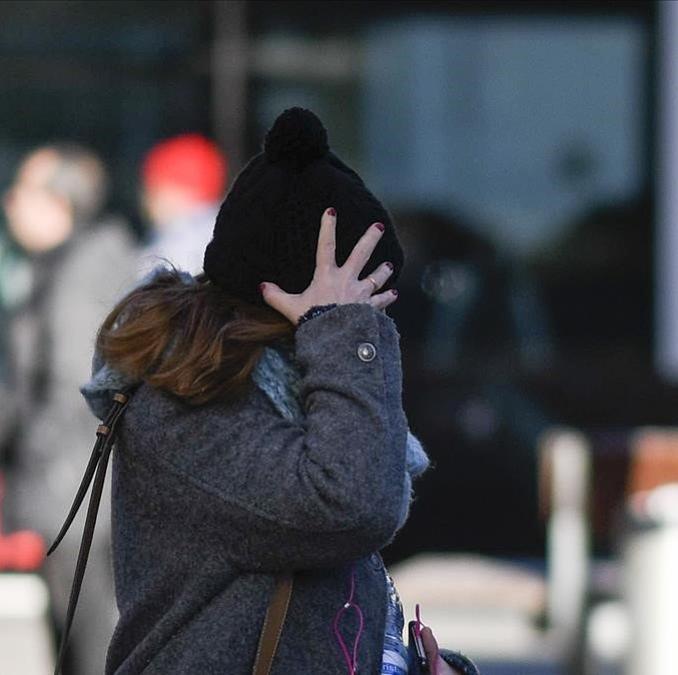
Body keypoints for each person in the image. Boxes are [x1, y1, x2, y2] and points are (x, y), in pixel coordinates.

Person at [73, 108, 475, 674]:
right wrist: (341, 329)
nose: (378, 328)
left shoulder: (294, 382)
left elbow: (327, 604)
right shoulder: (188, 397)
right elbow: (351, 506)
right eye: (366, 305)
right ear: (295, 302)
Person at [1, 143, 137, 675]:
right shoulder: (61, 266)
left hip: (80, 498)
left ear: (61, 203)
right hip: (74, 492)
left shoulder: (83, 272)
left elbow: (77, 392)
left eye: (24, 191)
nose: (11, 203)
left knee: (90, 647)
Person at [137, 133, 227, 275]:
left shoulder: (174, 245)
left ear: (177, 190)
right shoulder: (232, 230)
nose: (147, 199)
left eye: (155, 188)